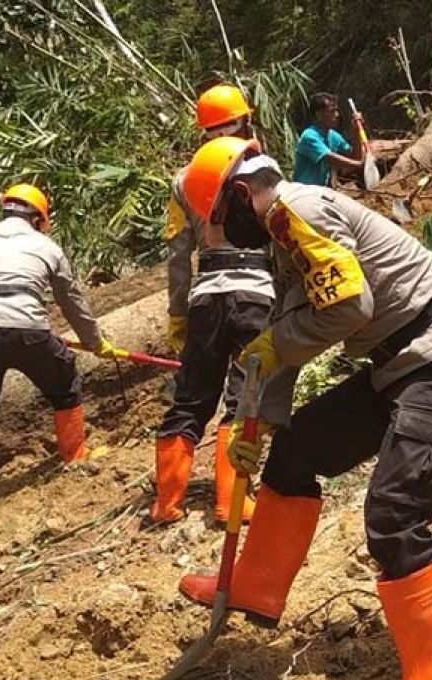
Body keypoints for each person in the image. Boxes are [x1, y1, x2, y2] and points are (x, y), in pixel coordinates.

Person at [177, 137, 432, 680]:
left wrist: (274, 347)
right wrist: (261, 421)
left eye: (218, 220)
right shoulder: (282, 233)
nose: (218, 236)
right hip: (397, 363)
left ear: (241, 196)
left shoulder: (298, 211)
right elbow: (289, 328)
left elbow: (348, 304)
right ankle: (256, 586)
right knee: (295, 453)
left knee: (395, 515)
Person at [0, 183, 125, 527]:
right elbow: (72, 300)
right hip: (29, 331)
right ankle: (75, 456)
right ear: (39, 218)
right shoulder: (48, 247)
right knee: (64, 378)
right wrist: (95, 342)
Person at [154, 83, 275, 525]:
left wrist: (178, 314)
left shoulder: (184, 179)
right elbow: (282, 231)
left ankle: (167, 503)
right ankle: (231, 501)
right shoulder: (263, 167)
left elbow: (176, 253)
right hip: (256, 291)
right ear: (245, 118)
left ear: (203, 129)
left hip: (207, 293)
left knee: (190, 396)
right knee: (243, 396)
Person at [292, 92, 366, 187]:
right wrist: (358, 165)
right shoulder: (309, 136)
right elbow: (329, 158)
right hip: (305, 191)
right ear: (318, 114)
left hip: (321, 190)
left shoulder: (333, 136)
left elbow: (355, 156)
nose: (337, 115)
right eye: (332, 111)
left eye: (337, 111)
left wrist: (356, 132)